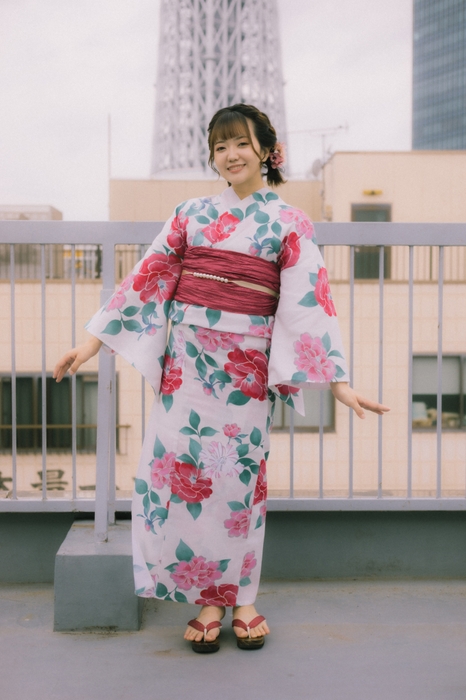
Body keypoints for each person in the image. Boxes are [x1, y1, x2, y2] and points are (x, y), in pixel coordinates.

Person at [54, 103, 389, 653]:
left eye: (240, 143)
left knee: (239, 482)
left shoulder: (290, 223)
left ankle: (243, 598)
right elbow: (149, 276)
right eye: (220, 146)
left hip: (245, 369)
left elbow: (309, 306)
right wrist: (92, 341)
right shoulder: (190, 214)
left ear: (267, 151)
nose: (230, 155)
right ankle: (208, 600)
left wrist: (339, 383)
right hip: (186, 365)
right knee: (185, 475)